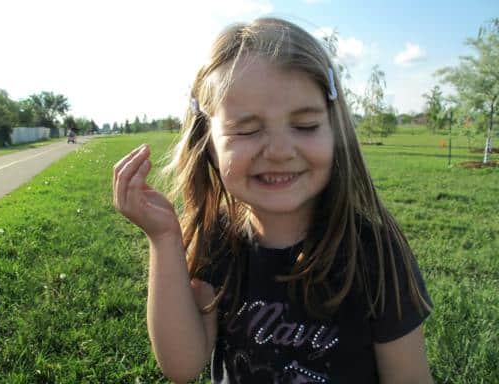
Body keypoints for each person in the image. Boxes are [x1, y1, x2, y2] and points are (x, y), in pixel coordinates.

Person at [113, 17, 434, 384]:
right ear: (208, 143)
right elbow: (183, 366)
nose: (280, 151)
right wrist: (163, 239)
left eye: (305, 125)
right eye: (247, 130)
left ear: (334, 129)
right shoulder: (218, 239)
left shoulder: (374, 250)